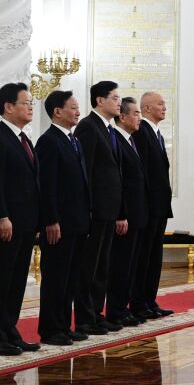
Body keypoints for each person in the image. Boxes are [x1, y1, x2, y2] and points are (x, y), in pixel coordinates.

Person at [0, 82, 41, 356]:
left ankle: (9, 329)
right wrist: (1, 216)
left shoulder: (24, 139)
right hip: (5, 223)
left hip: (26, 223)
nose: (30, 107)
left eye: (31, 103)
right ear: (8, 107)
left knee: (16, 280)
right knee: (0, 279)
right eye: (25, 102)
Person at [35, 90, 91, 346]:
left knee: (71, 278)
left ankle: (64, 326)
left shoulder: (74, 140)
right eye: (73, 107)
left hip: (77, 222)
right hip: (59, 224)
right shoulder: (48, 141)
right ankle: (50, 329)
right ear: (57, 111)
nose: (78, 111)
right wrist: (51, 220)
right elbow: (47, 186)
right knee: (56, 278)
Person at [73, 81, 127, 336]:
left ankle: (96, 314)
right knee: (89, 267)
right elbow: (87, 172)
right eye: (114, 98)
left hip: (109, 209)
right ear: (99, 101)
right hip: (95, 210)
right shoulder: (88, 127)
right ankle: (85, 318)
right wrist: (90, 208)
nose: (119, 102)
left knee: (102, 266)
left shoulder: (109, 129)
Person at [130, 92, 174, 320]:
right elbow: (143, 173)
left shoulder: (155, 133)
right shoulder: (141, 132)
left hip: (159, 207)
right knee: (143, 257)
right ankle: (138, 302)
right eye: (160, 103)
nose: (164, 107)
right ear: (146, 108)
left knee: (154, 257)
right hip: (147, 207)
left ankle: (149, 300)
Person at [106, 97, 148, 326]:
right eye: (136, 113)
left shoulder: (131, 141)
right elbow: (120, 181)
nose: (139, 118)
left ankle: (125, 307)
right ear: (122, 116)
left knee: (131, 264)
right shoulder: (117, 141)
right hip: (125, 214)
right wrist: (121, 213)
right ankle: (116, 309)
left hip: (137, 213)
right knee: (120, 265)